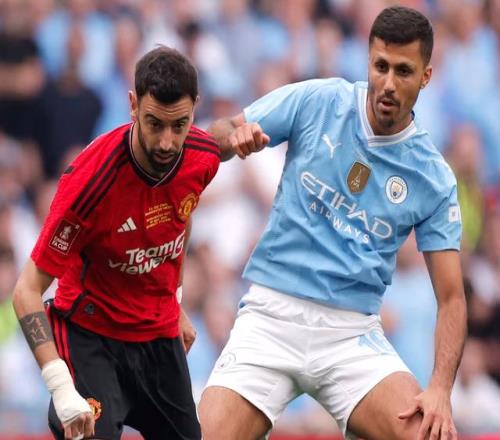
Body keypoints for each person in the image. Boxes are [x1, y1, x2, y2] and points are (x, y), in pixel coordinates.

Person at [199, 6, 466, 440]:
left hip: (351, 334)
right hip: (271, 317)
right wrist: (232, 138)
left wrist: (440, 388)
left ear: (426, 77)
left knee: (431, 435)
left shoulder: (432, 177)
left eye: (403, 71)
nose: (388, 83)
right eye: (381, 66)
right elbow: (219, 131)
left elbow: (452, 298)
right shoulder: (320, 101)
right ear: (368, 61)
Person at [12, 46, 220, 440]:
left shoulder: (202, 156)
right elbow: (26, 291)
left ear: (195, 108)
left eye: (179, 125)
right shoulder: (89, 185)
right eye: (155, 123)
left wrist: (175, 299)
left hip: (157, 336)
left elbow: (180, 215)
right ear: (132, 105)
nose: (166, 142)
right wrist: (60, 385)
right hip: (92, 338)